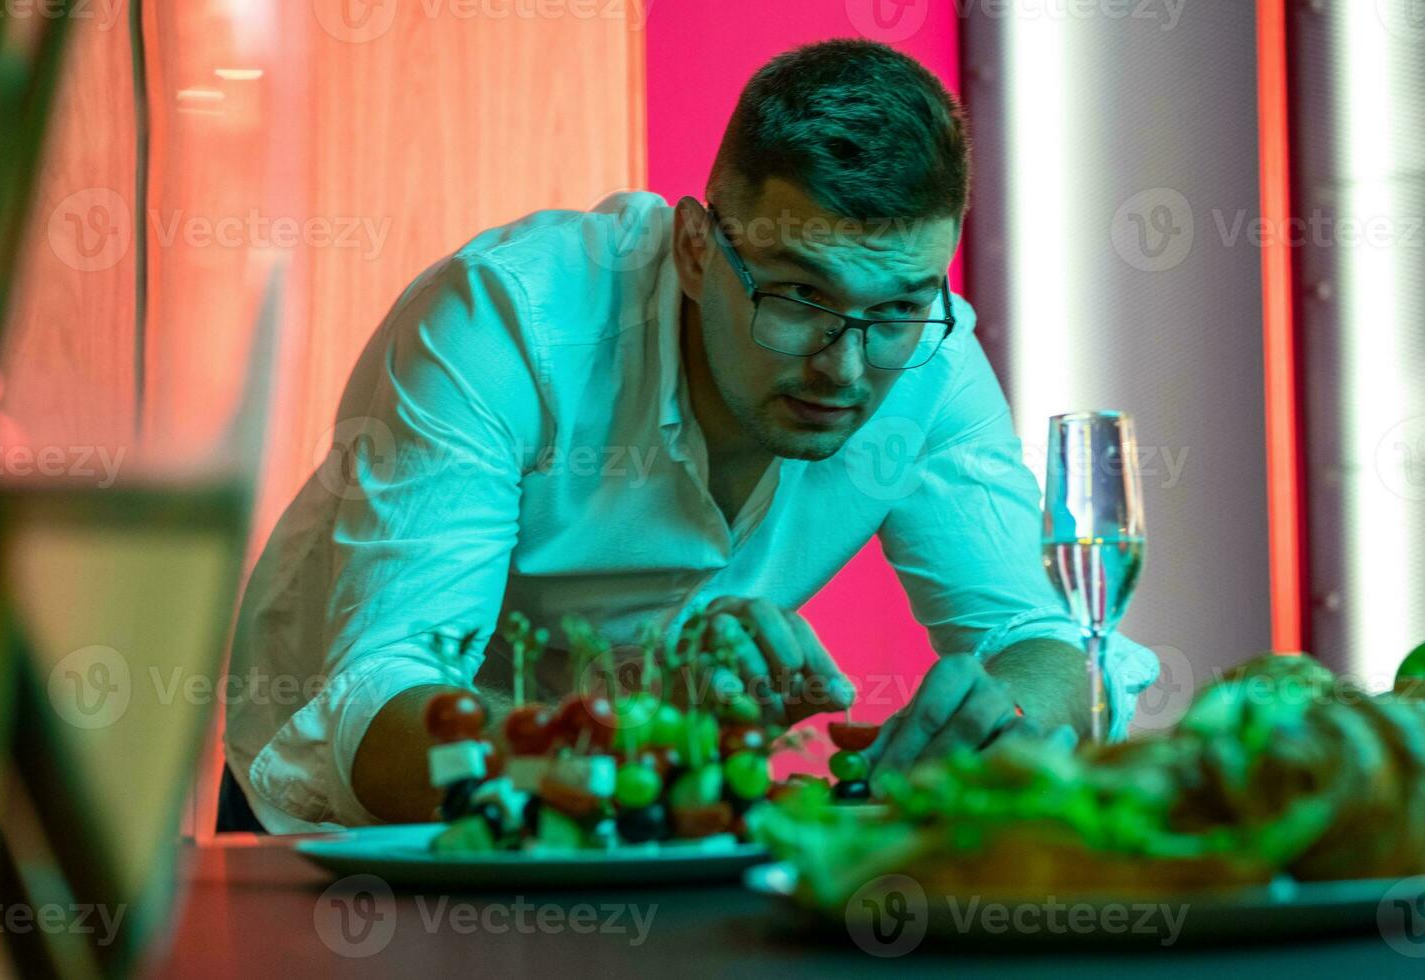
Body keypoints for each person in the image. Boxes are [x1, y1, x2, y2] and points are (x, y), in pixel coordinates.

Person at [221, 38, 1157, 833]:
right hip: (363, 828)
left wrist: (1009, 721)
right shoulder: (506, 319)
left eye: (901, 308)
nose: (847, 366)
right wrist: (646, 743)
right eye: (799, 297)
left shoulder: (930, 360)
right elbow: (378, 701)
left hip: (656, 824)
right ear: (699, 251)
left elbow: (1039, 635)